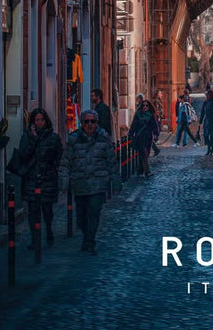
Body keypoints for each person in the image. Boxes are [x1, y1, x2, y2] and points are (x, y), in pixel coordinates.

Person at [59, 109, 121, 254]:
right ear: (82, 123)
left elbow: (111, 162)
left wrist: (116, 181)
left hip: (98, 183)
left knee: (94, 213)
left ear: (97, 123)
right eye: (86, 121)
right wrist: (63, 181)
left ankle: (89, 241)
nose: (89, 124)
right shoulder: (74, 139)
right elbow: (66, 161)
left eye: (92, 121)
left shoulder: (104, 138)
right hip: (80, 183)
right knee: (81, 216)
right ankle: (87, 237)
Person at [18, 108, 63, 249]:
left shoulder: (53, 138)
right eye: (37, 120)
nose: (39, 123)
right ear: (32, 122)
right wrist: (32, 139)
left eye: (41, 120)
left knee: (47, 210)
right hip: (31, 178)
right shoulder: (26, 137)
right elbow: (23, 155)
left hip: (48, 178)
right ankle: (34, 239)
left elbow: (58, 156)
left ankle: (49, 231)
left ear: (46, 121)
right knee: (33, 212)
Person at [128, 99, 160, 177]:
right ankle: (147, 172)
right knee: (144, 154)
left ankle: (140, 171)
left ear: (149, 107)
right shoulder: (138, 114)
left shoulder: (151, 115)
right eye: (144, 105)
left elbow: (155, 125)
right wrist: (130, 133)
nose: (145, 107)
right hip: (140, 136)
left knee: (145, 154)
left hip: (149, 137)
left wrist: (156, 134)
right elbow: (134, 125)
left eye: (147, 105)